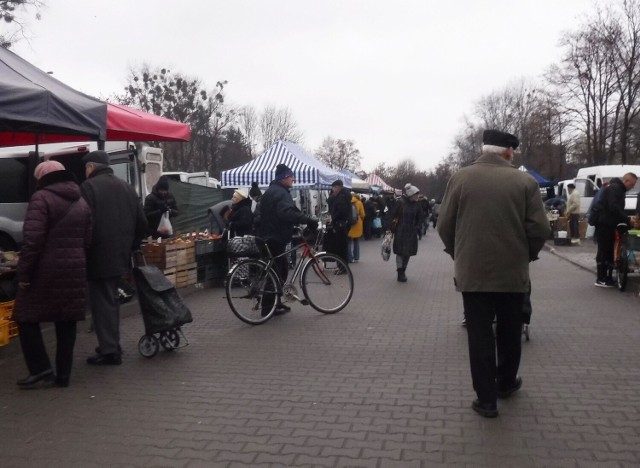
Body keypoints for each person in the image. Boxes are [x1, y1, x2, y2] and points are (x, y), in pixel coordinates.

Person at [437, 129, 550, 418]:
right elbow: (539, 229)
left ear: (484, 150)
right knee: (510, 331)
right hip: (512, 274)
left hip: (473, 274)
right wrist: (527, 255)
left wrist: (457, 253)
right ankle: (506, 382)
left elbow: (444, 225)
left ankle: (486, 400)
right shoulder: (525, 182)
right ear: (509, 152)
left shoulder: (460, 178)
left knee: (479, 334)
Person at [13, 161, 93, 388]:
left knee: (24, 316)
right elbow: (88, 239)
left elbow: (33, 241)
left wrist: (24, 274)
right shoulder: (81, 200)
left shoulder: (41, 198)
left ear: (43, 178)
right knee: (66, 321)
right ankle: (64, 375)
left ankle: (41, 369)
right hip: (75, 267)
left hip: (45, 270)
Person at [81, 150, 147, 365]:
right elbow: (142, 224)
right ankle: (111, 344)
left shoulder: (89, 187)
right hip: (120, 255)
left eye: (86, 168)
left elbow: (84, 224)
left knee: (102, 303)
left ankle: (110, 350)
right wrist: (130, 246)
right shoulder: (126, 187)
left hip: (97, 255)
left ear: (91, 167)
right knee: (110, 300)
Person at [258, 164, 318, 315]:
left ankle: (275, 304)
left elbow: (288, 211)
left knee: (281, 270)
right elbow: (286, 213)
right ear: (284, 177)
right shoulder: (280, 193)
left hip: (267, 235)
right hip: (274, 237)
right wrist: (307, 220)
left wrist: (302, 218)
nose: (293, 179)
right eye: (291, 176)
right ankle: (267, 308)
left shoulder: (272, 191)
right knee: (276, 273)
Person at [592, 173, 637, 287]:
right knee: (605, 250)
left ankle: (605, 277)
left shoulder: (615, 188)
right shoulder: (616, 189)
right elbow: (614, 207)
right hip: (604, 223)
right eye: (632, 184)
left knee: (605, 250)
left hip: (606, 223)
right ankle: (602, 278)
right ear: (626, 181)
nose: (632, 187)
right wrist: (627, 219)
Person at [390, 183, 423, 282]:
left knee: (408, 253)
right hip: (400, 231)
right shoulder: (400, 203)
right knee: (400, 252)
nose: (417, 196)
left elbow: (420, 217)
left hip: (411, 232)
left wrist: (417, 226)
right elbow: (392, 215)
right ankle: (400, 272)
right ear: (410, 194)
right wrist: (389, 229)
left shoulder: (417, 204)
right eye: (416, 194)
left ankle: (403, 270)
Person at [325, 179, 351, 262]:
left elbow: (341, 212)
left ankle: (342, 266)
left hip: (340, 224)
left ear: (338, 187)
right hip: (343, 224)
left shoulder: (341, 197)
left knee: (341, 246)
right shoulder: (343, 195)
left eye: (334, 188)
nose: (333, 190)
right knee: (342, 246)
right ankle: (342, 265)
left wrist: (333, 218)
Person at [347, 192, 365, 263]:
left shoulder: (347, 202)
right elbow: (363, 214)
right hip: (357, 223)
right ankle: (356, 257)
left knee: (348, 242)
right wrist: (360, 220)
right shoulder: (359, 203)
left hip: (349, 224)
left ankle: (349, 258)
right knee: (356, 241)